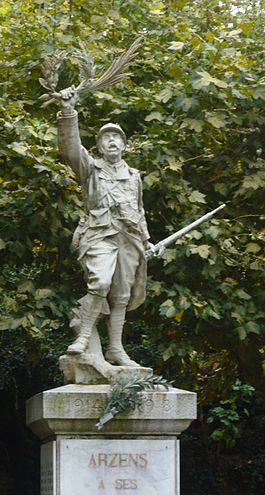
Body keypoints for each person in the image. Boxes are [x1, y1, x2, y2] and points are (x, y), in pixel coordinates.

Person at [57, 84, 155, 367]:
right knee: (99, 282)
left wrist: (147, 242)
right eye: (106, 138)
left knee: (123, 294)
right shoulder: (90, 168)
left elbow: (139, 209)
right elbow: (71, 149)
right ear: (99, 146)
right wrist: (68, 111)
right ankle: (84, 338)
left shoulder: (134, 175)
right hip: (100, 233)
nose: (112, 141)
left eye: (116, 137)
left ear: (124, 145)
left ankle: (115, 349)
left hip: (130, 238)